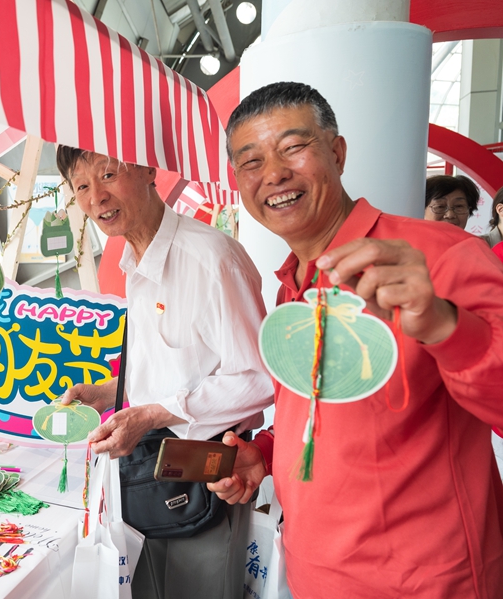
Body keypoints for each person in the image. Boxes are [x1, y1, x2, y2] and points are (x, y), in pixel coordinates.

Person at [210, 81, 503, 598]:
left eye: (294, 148)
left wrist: (441, 323)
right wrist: (268, 453)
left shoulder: (438, 257)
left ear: (338, 153)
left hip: (427, 583)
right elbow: (326, 415)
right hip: (310, 574)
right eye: (251, 161)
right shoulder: (291, 288)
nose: (274, 173)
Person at [56, 148, 273, 599]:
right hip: (146, 469)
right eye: (81, 186)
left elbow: (258, 380)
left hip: (207, 467)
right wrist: (106, 392)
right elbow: (176, 368)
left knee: (199, 586)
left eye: (109, 174)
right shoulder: (134, 264)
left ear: (149, 169)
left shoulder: (211, 259)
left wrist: (153, 414)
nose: (97, 196)